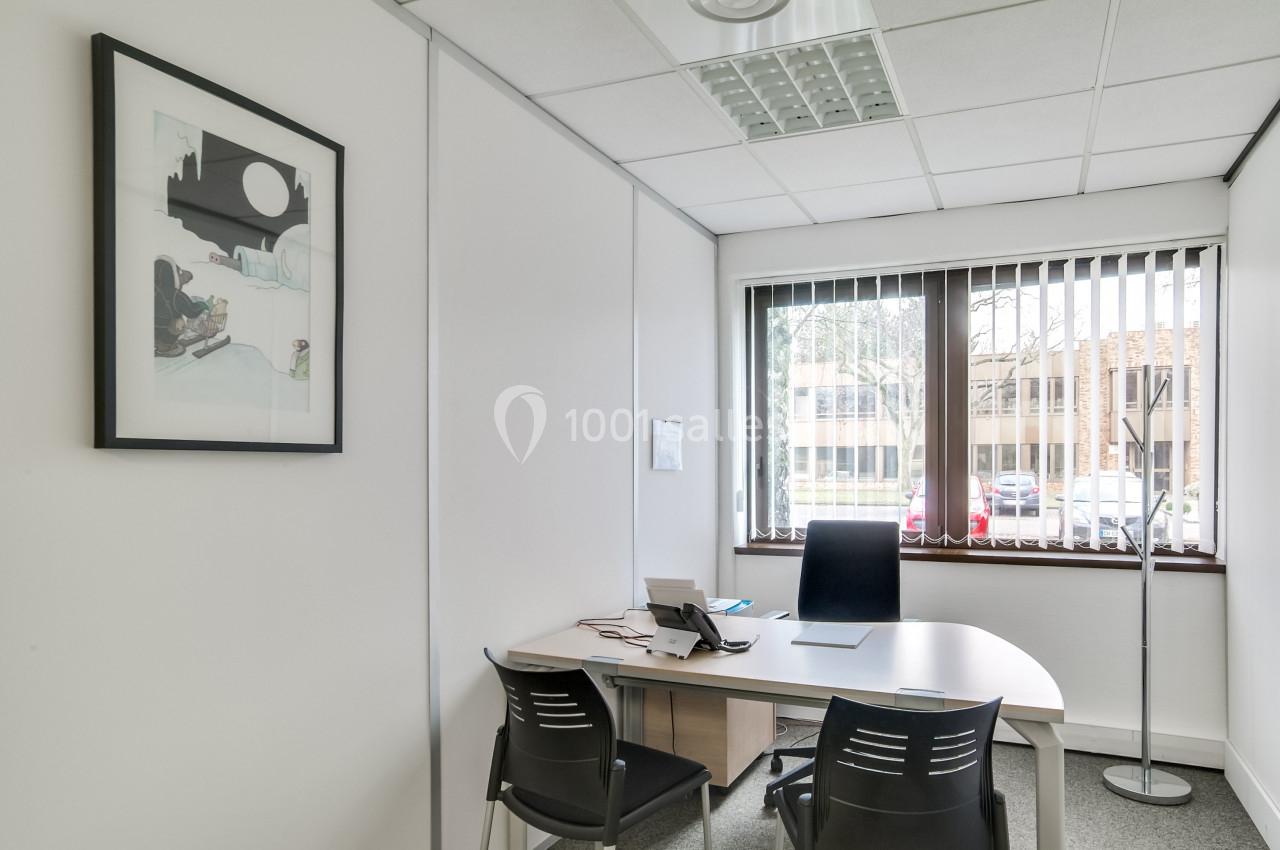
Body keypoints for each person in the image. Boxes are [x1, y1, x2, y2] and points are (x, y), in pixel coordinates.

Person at [154, 255, 209, 356]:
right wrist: (203, 305)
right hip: (166, 332)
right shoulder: (175, 294)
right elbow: (191, 311)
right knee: (179, 322)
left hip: (152, 331)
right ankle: (167, 345)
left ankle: (155, 342)